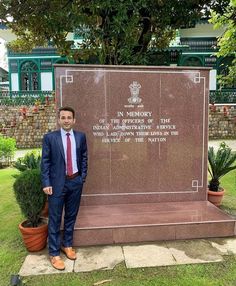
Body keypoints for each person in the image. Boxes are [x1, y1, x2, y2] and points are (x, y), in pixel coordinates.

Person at [41, 106, 88, 270]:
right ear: (59, 120)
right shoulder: (50, 138)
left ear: (74, 120)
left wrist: (82, 178)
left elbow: (83, 157)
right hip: (56, 185)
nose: (66, 120)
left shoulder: (81, 137)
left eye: (69, 117)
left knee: (70, 216)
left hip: (75, 182)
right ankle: (54, 253)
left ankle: (67, 245)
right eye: (63, 117)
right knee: (54, 219)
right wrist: (46, 183)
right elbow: (45, 162)